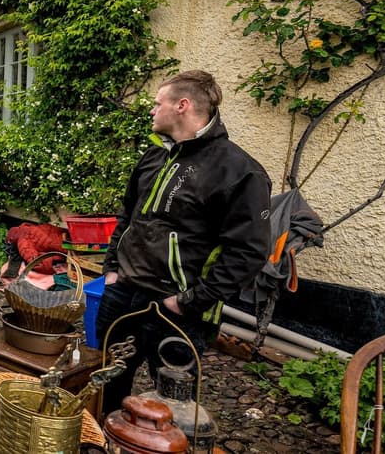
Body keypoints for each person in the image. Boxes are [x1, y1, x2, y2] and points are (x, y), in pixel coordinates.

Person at [96, 70, 271, 415]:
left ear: (182, 105)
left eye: (157, 103)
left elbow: (248, 252)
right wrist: (112, 269)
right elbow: (127, 217)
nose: (152, 111)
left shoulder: (239, 171)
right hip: (124, 294)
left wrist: (189, 301)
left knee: (174, 405)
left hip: (178, 309)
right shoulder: (153, 157)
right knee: (107, 383)